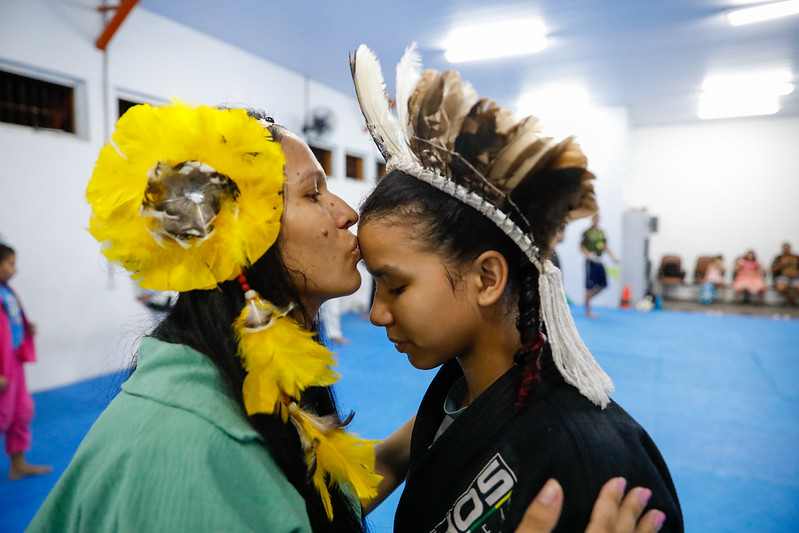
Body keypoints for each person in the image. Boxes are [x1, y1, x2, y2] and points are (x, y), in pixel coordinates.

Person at [26, 102, 659, 533]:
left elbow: (305, 498)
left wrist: (446, 428)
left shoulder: (240, 378)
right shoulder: (192, 454)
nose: (345, 212)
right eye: (312, 192)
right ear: (247, 237)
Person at [351, 44, 681, 532]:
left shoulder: (593, 462)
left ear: (487, 279)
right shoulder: (456, 397)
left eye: (394, 286)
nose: (376, 313)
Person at [0, 243, 52, 480]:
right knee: (3, 414)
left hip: (13, 360)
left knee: (22, 411)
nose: (15, 268)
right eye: (10, 263)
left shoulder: (7, 291)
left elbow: (9, 321)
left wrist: (25, 327)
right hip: (2, 366)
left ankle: (18, 465)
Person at [581, 214, 620, 318]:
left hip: (599, 260)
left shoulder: (601, 233)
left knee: (603, 284)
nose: (596, 221)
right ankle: (588, 310)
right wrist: (588, 254)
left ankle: (587, 300)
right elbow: (582, 247)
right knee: (589, 286)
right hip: (590, 261)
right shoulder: (587, 233)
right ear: (592, 220)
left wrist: (613, 257)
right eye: (595, 219)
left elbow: (605, 246)